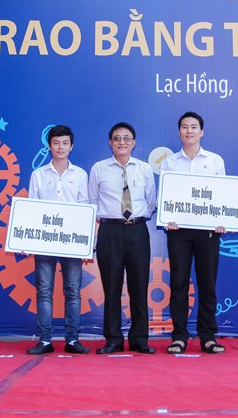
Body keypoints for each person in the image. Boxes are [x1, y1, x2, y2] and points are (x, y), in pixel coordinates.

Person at [89, 122, 157, 354]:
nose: (122, 142)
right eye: (117, 138)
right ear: (110, 143)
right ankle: (113, 339)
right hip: (110, 231)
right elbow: (92, 201)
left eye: (126, 138)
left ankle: (139, 339)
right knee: (111, 287)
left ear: (134, 143)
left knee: (139, 286)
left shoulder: (144, 169)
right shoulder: (99, 169)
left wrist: (138, 218)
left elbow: (150, 201)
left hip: (137, 230)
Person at [161, 111, 226, 354]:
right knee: (178, 284)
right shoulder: (170, 162)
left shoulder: (215, 161)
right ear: (179, 132)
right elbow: (166, 196)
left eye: (194, 126)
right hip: (178, 231)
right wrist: (167, 218)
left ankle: (208, 336)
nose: (189, 131)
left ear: (202, 132)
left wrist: (222, 221)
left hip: (208, 232)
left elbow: (223, 196)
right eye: (185, 127)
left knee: (207, 284)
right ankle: (179, 336)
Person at [26, 125, 91, 355]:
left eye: (65, 143)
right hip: (44, 241)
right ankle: (45, 340)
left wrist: (86, 243)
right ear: (49, 146)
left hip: (72, 241)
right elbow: (31, 208)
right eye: (56, 143)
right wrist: (27, 241)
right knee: (44, 291)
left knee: (73, 290)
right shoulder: (38, 174)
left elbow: (85, 209)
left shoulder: (80, 175)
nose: (60, 147)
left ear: (71, 146)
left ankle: (72, 339)